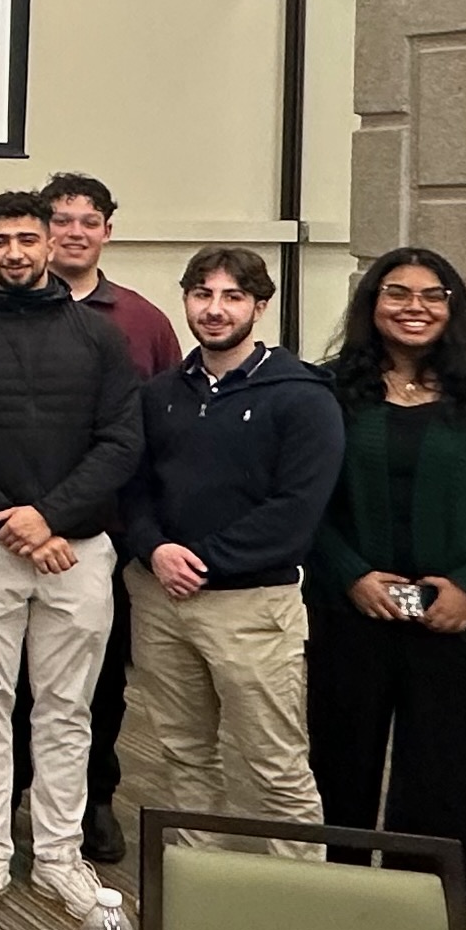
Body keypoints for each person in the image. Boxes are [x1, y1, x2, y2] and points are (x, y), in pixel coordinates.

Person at [307, 248, 466, 907]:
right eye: (395, 292)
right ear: (370, 305)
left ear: (453, 308)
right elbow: (300, 498)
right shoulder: (330, 392)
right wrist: (351, 575)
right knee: (339, 760)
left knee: (440, 770)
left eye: (431, 293)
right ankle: (327, 896)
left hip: (454, 620)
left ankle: (420, 908)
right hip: (350, 612)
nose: (412, 306)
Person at [0, 191, 143, 921]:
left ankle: (56, 856)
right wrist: (15, 522)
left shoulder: (99, 337)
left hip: (77, 552)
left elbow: (120, 440)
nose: (13, 251)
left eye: (25, 238)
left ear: (50, 244)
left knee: (66, 707)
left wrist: (49, 518)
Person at [118, 247, 341, 859]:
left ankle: (300, 896)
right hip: (161, 598)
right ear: (186, 300)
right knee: (185, 754)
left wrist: (202, 561)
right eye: (202, 295)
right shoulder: (161, 393)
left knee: (276, 765)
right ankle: (200, 887)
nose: (215, 311)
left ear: (260, 306)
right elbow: (134, 489)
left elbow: (296, 510)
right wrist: (157, 549)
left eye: (232, 297)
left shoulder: (303, 395)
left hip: (251, 608)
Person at [24, 170, 182, 865]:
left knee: (99, 679)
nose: (74, 231)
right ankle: (8, 804)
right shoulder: (10, 312)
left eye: (88, 220)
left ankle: (93, 799)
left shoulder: (142, 320)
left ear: (106, 231)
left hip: (104, 534)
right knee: (9, 679)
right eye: (60, 219)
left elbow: (160, 429)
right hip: (14, 530)